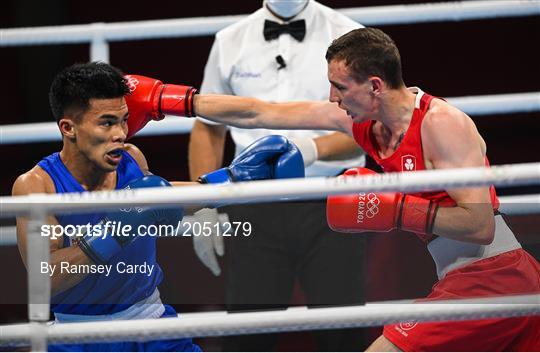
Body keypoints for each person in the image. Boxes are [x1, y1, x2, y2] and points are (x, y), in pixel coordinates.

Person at [125, 27, 540, 351]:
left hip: (496, 276)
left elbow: (480, 224)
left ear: (375, 87)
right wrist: (169, 99)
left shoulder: (443, 124)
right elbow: (258, 111)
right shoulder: (361, 121)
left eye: (340, 87)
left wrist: (393, 207)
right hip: (464, 278)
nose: (331, 97)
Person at [12, 62, 304, 352]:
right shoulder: (36, 186)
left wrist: (237, 179)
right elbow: (46, 280)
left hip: (151, 323)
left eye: (124, 120)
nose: (120, 133)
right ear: (68, 128)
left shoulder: (130, 159)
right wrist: (115, 231)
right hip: (78, 336)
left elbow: (161, 200)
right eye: (107, 123)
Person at [188, 1, 367, 350]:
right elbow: (208, 129)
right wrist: (203, 206)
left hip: (332, 203)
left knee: (342, 333)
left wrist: (306, 151)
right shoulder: (230, 41)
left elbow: (366, 128)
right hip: (253, 206)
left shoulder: (349, 34)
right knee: (250, 335)